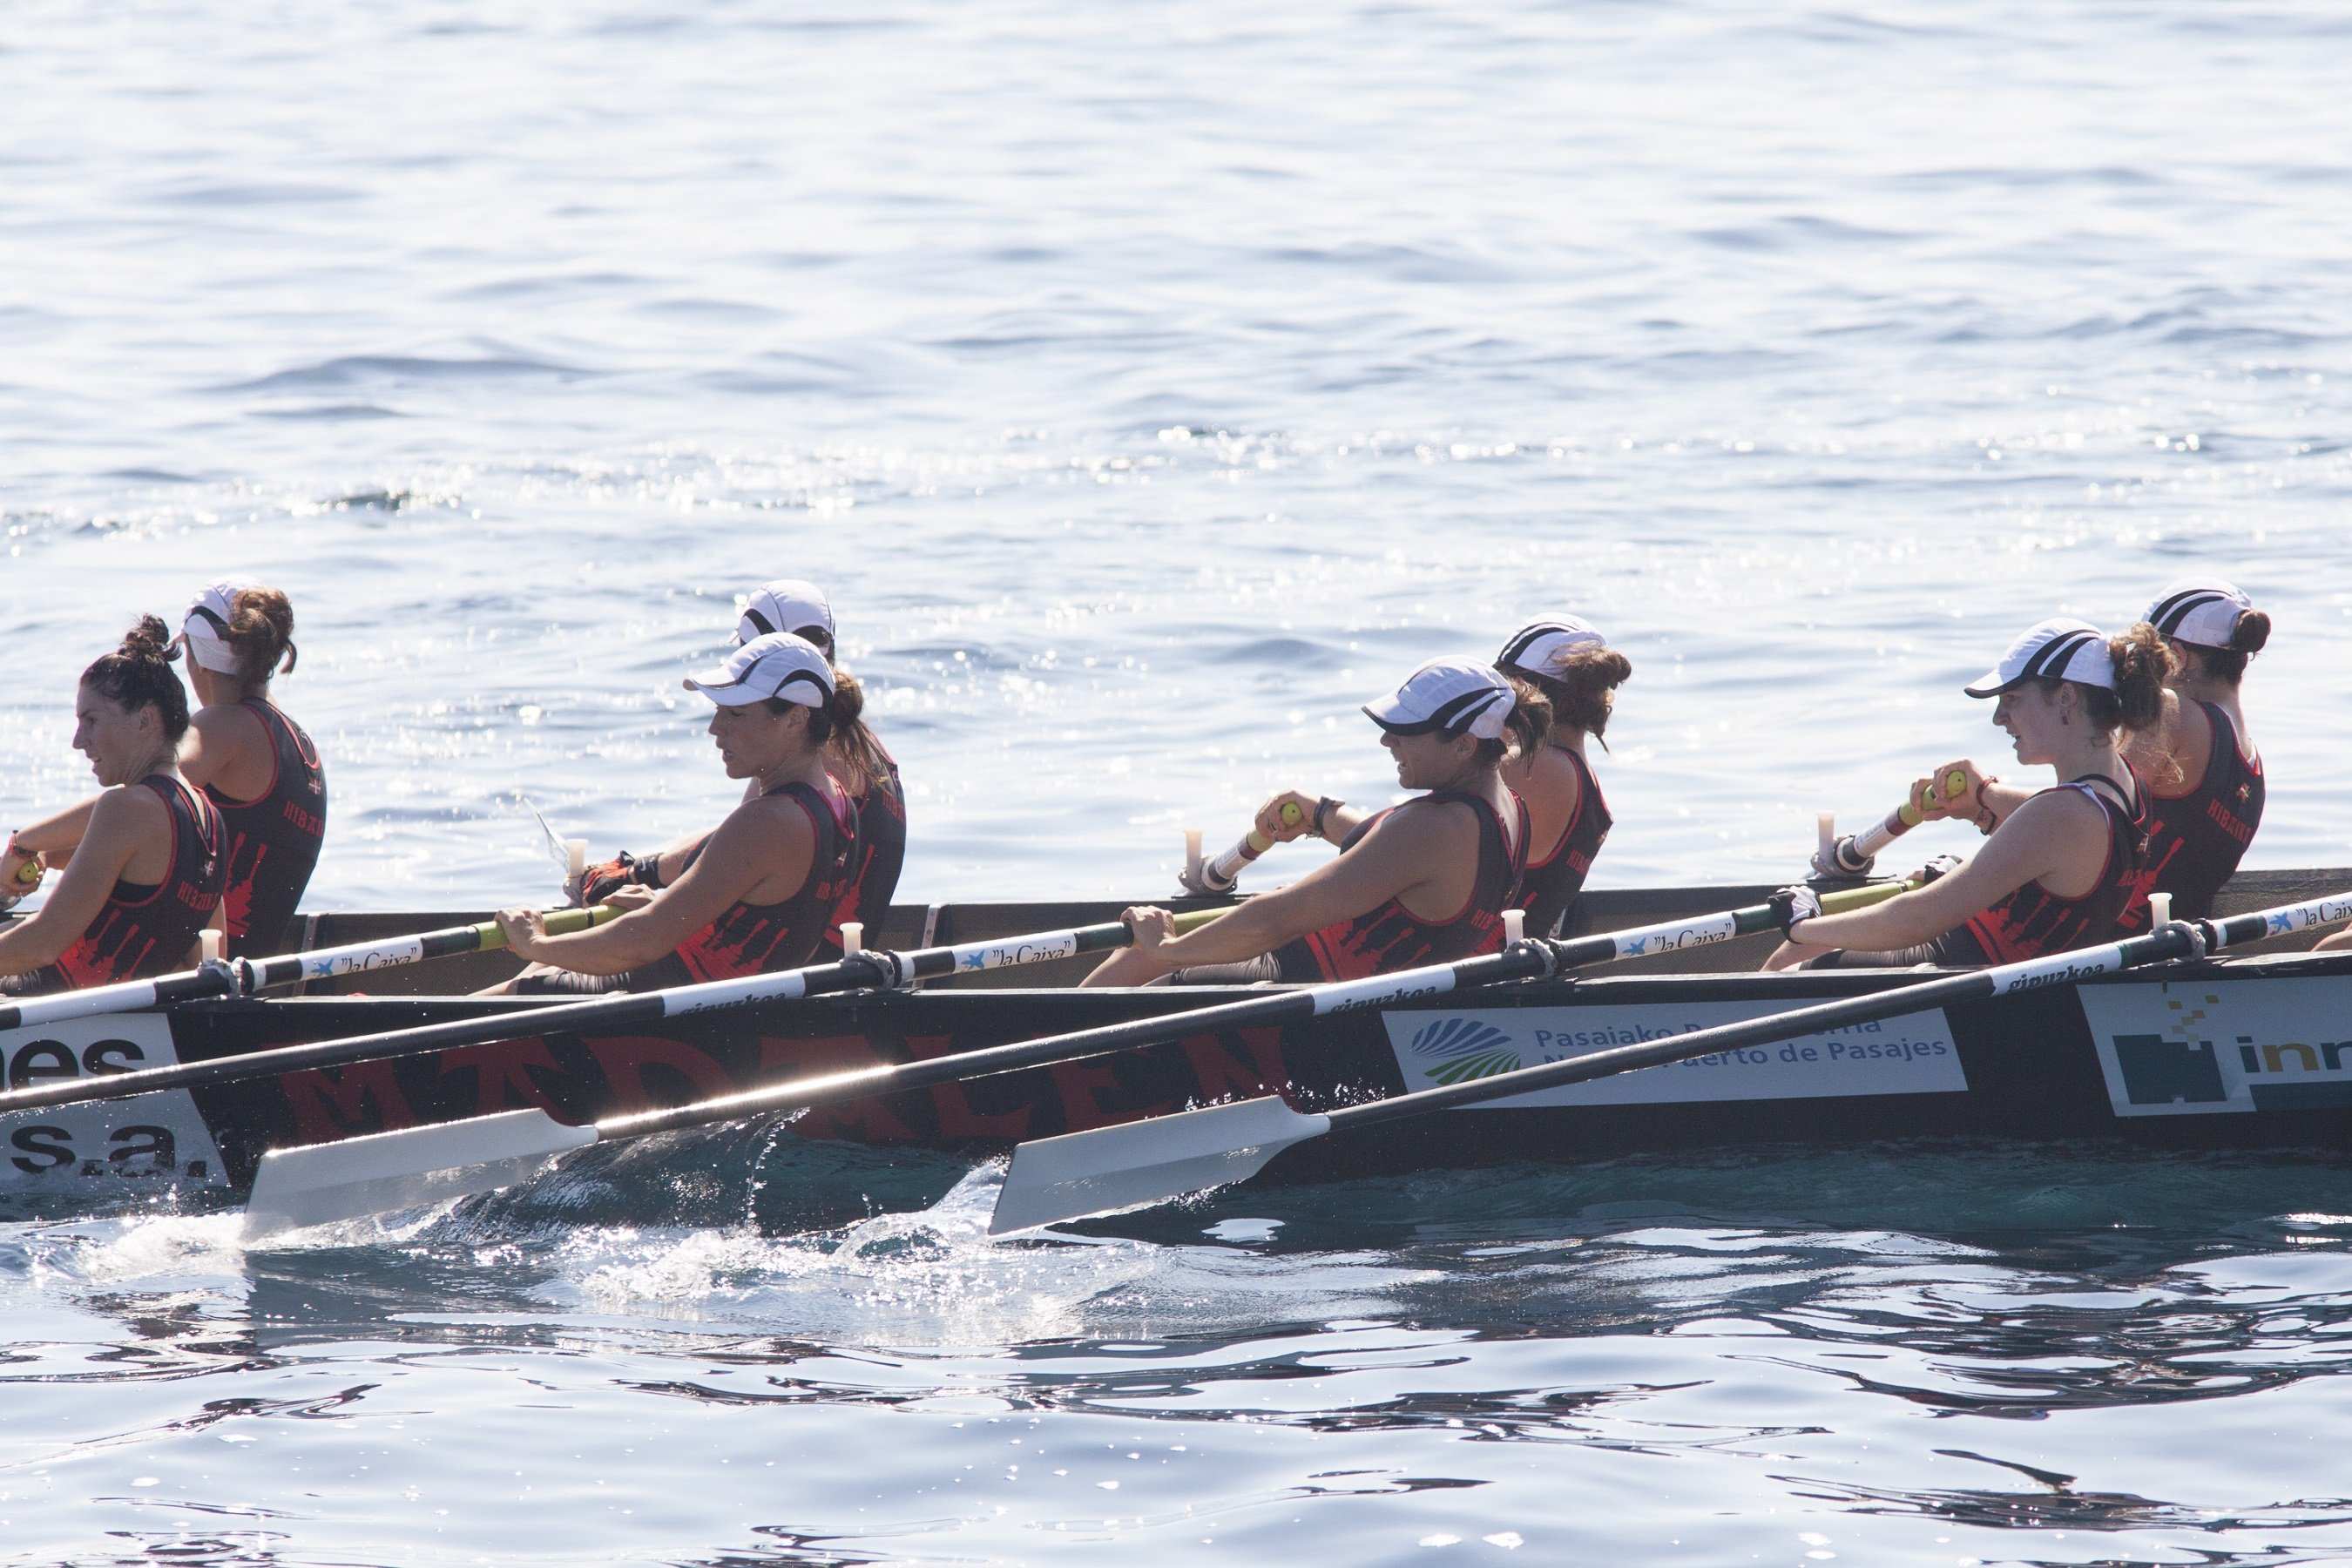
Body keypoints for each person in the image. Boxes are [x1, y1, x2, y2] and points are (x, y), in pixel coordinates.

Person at [1085, 656, 1543, 987]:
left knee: (1138, 957)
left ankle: (1047, 1061)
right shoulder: (1509, 807)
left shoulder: (1430, 829)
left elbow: (1276, 921)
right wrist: (1321, 814)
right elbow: (1389, 855)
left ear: (1463, 745)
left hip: (1295, 985)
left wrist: (1165, 948)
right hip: (1340, 982)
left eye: (1406, 731)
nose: (1387, 741)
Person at [1761, 618, 2163, 970]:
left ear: (2066, 697)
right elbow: (2049, 834)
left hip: (1956, 971)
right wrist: (1981, 801)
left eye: (2012, 700)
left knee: (1792, 958)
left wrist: (1801, 924)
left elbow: (1919, 919)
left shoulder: (2060, 814)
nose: (1998, 718)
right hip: (1995, 965)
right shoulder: (2126, 785)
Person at [490, 633, 874, 992]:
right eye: (719, 710)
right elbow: (763, 923)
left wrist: (534, 941)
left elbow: (643, 941)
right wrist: (667, 909)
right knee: (535, 972)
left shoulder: (767, 821)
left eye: (736, 714)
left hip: (671, 1002)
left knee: (519, 987)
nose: (715, 728)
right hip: (724, 997)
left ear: (796, 719)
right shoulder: (838, 801)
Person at [577, 579, 904, 956]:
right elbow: (731, 836)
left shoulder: (813, 749)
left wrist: (639, 873)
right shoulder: (849, 734)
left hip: (808, 963)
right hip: (824, 946)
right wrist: (632, 865)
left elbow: (739, 846)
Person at [1919, 581, 2267, 932]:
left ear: (2177, 656)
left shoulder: (2173, 714)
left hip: (2096, 943)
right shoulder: (2252, 766)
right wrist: (1981, 811)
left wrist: (1985, 792)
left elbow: (2091, 814)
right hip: (2159, 938)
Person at [0, 618, 226, 994]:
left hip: (54, 1004)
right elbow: (203, 958)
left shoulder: (124, 808)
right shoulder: (210, 818)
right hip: (120, 1008)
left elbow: (42, 944)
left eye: (91, 721)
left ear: (145, 720)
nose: (78, 741)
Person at [1494, 618, 1629, 938]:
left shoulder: (1533, 768)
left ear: (1521, 690)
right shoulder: (1573, 769)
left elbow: (1407, 850)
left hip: (1482, 967)